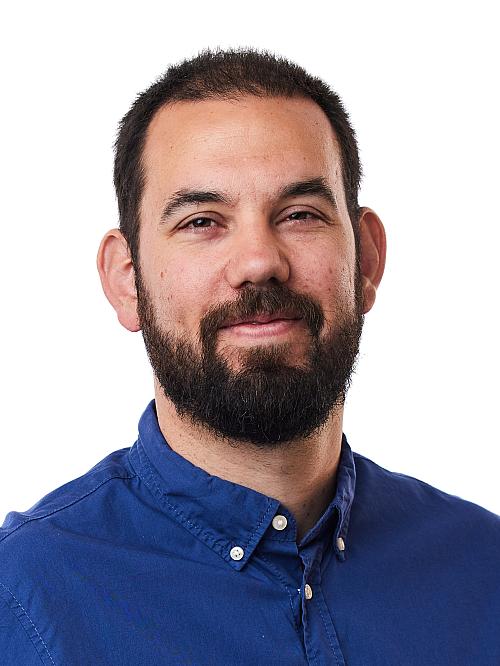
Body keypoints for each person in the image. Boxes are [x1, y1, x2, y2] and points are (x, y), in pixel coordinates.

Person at [0, 48, 498, 666]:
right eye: (202, 221)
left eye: (299, 215)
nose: (260, 261)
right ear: (127, 279)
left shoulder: (486, 569)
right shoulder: (22, 599)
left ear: (367, 261)